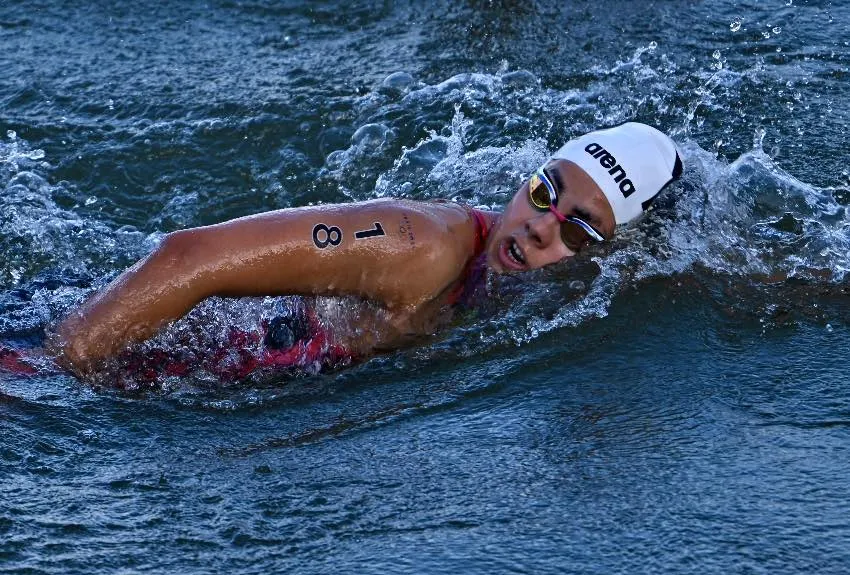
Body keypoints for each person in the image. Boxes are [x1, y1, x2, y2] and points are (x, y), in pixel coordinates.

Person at [47, 122, 683, 381]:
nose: (541, 227)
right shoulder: (423, 245)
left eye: (580, 231)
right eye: (545, 191)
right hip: (62, 354)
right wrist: (52, 372)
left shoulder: (533, 290)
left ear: (614, 251)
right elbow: (187, 258)